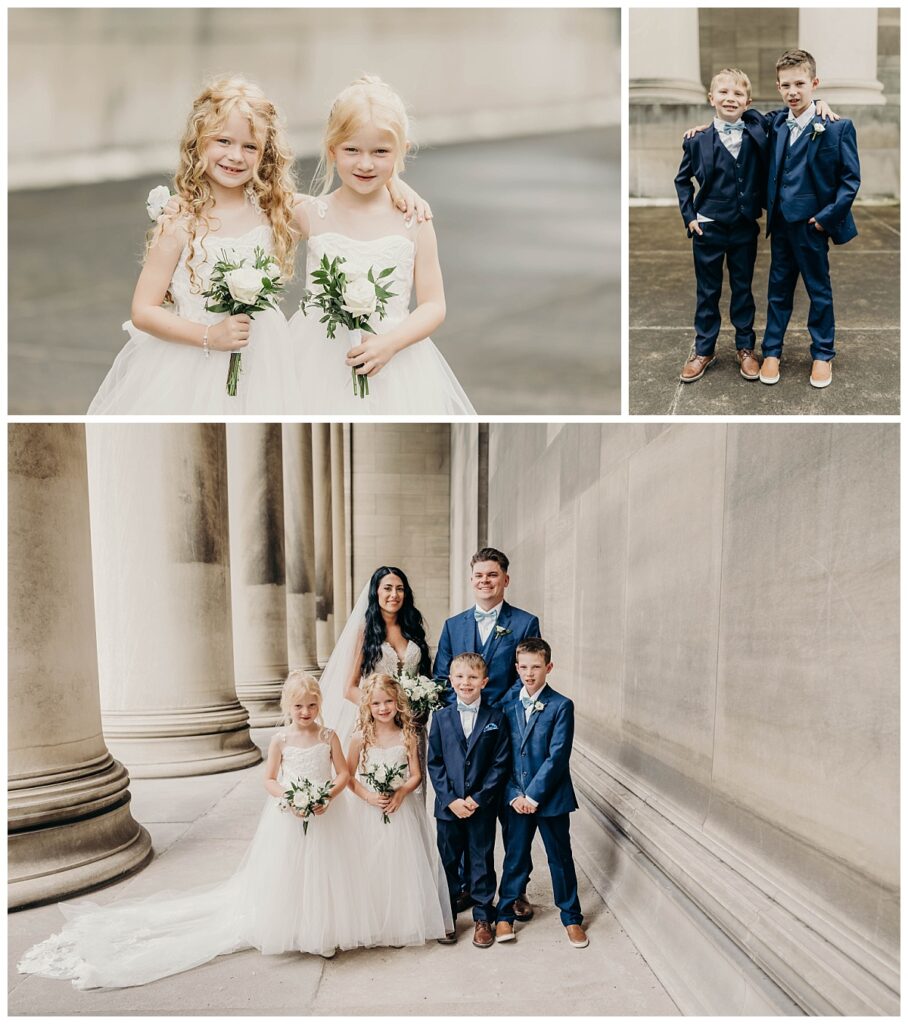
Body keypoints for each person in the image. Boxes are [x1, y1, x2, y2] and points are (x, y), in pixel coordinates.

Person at [88, 76, 428, 415]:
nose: (235, 156)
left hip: (263, 371)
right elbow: (143, 310)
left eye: (250, 146)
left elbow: (346, 208)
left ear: (265, 153)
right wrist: (209, 335)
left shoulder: (275, 209)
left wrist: (397, 184)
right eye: (223, 141)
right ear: (198, 144)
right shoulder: (180, 220)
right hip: (191, 367)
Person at [17, 672, 359, 989]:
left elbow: (342, 774)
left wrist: (325, 795)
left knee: (324, 869)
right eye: (299, 705)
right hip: (290, 814)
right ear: (288, 706)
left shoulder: (328, 736)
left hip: (324, 812)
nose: (306, 711)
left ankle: (322, 929)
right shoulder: (281, 740)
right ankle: (291, 927)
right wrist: (291, 797)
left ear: (320, 705)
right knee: (288, 871)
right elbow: (269, 779)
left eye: (312, 705)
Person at [288, 74, 476, 414]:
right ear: (332, 150)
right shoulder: (310, 212)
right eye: (351, 150)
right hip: (318, 359)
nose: (365, 163)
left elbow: (434, 305)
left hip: (395, 360)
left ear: (401, 152)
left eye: (380, 152)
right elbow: (250, 194)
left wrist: (391, 344)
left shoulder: (414, 220)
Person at [433, 546, 541, 918]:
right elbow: (440, 677)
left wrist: (492, 711)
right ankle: (466, 886)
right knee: (467, 810)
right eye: (479, 575)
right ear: (471, 579)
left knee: (513, 819)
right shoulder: (454, 625)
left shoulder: (524, 623)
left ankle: (515, 890)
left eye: (492, 575)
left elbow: (525, 677)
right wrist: (467, 707)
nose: (485, 581)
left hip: (508, 732)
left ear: (505, 580)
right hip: (465, 737)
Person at [758, 49, 860, 389]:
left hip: (812, 225)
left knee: (819, 290)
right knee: (778, 290)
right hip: (782, 225)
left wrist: (824, 219)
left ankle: (822, 354)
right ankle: (771, 352)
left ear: (814, 83)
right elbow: (741, 116)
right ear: (778, 87)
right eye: (786, 85)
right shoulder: (776, 123)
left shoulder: (836, 128)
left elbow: (850, 181)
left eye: (800, 83)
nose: (793, 91)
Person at [674, 69, 769, 384]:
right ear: (710, 98)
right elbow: (682, 180)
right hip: (708, 227)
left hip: (744, 226)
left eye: (738, 94)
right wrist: (690, 216)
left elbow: (782, 115)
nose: (731, 98)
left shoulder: (756, 132)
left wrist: (820, 103)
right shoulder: (697, 140)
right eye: (723, 92)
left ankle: (745, 347)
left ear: (748, 102)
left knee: (743, 288)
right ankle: (704, 349)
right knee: (708, 290)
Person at [345, 675, 454, 946]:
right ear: (367, 706)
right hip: (369, 811)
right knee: (372, 863)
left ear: (398, 702)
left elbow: (416, 775)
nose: (383, 708)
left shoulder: (408, 735)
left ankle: (402, 922)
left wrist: (401, 792)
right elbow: (347, 777)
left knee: (402, 864)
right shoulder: (359, 738)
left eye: (388, 702)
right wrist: (369, 796)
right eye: (376, 704)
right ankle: (373, 921)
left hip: (401, 808)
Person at [495, 639, 588, 949]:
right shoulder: (507, 704)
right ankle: (505, 913)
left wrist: (532, 796)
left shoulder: (562, 706)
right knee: (515, 858)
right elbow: (502, 756)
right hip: (515, 799)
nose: (529, 673)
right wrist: (513, 794)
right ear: (517, 667)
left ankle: (572, 917)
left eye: (536, 667)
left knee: (559, 858)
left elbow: (558, 756)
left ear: (549, 667)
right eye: (524, 667)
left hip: (550, 799)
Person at [427, 653, 511, 948]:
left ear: (484, 682)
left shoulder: (496, 718)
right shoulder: (440, 717)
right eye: (460, 677)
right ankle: (447, 917)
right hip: (448, 809)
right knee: (448, 861)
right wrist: (451, 800)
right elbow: (435, 763)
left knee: (481, 860)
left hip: (481, 807)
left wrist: (477, 798)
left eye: (473, 677)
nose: (466, 682)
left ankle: (483, 917)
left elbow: (500, 764)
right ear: (450, 680)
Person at [337, 566, 433, 781]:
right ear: (376, 592)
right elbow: (349, 688)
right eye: (387, 588)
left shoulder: (414, 628)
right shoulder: (365, 631)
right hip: (378, 726)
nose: (394, 594)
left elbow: (425, 678)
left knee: (413, 787)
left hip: (413, 726)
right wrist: (383, 710)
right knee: (381, 787)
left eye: (400, 589)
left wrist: (418, 708)